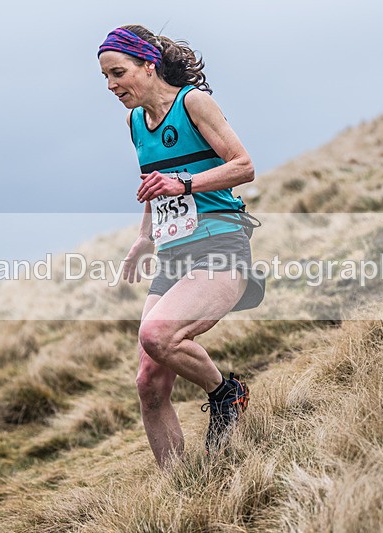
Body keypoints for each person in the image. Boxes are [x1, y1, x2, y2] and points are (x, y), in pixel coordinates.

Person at [98, 25, 265, 468]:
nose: (112, 86)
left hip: (221, 243)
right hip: (173, 254)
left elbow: (243, 165)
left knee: (157, 335)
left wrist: (185, 182)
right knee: (148, 383)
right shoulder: (135, 122)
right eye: (106, 79)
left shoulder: (193, 102)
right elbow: (155, 186)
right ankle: (177, 489)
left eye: (119, 73)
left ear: (148, 65)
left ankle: (226, 393)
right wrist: (143, 239)